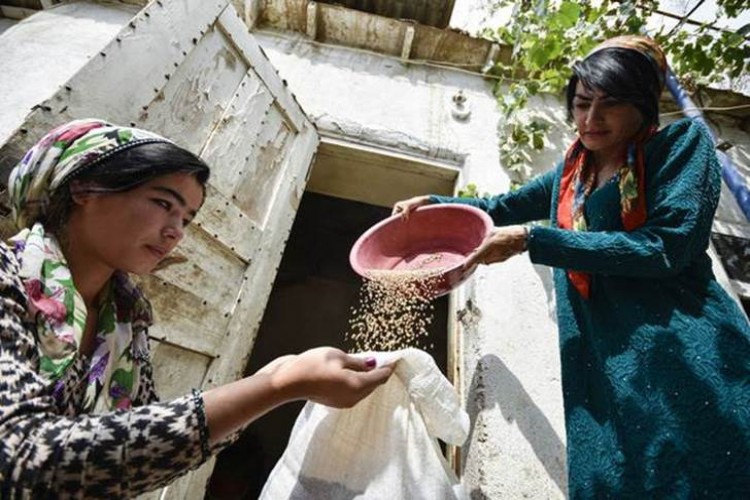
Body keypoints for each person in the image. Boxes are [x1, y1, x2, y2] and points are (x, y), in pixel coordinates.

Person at [394, 36, 750, 497]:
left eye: (610, 104)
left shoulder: (680, 145)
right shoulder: (571, 175)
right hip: (596, 356)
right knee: (616, 474)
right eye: (582, 103)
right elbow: (500, 206)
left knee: (706, 462)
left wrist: (533, 240)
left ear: (643, 104)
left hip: (681, 347)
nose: (590, 118)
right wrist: (435, 206)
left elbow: (667, 247)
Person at [0, 119, 394, 497]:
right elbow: (20, 459)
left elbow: (135, 450)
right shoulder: (8, 277)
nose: (176, 231)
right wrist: (275, 386)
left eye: (186, 218)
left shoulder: (123, 319)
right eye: (162, 203)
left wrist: (274, 378)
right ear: (84, 189)